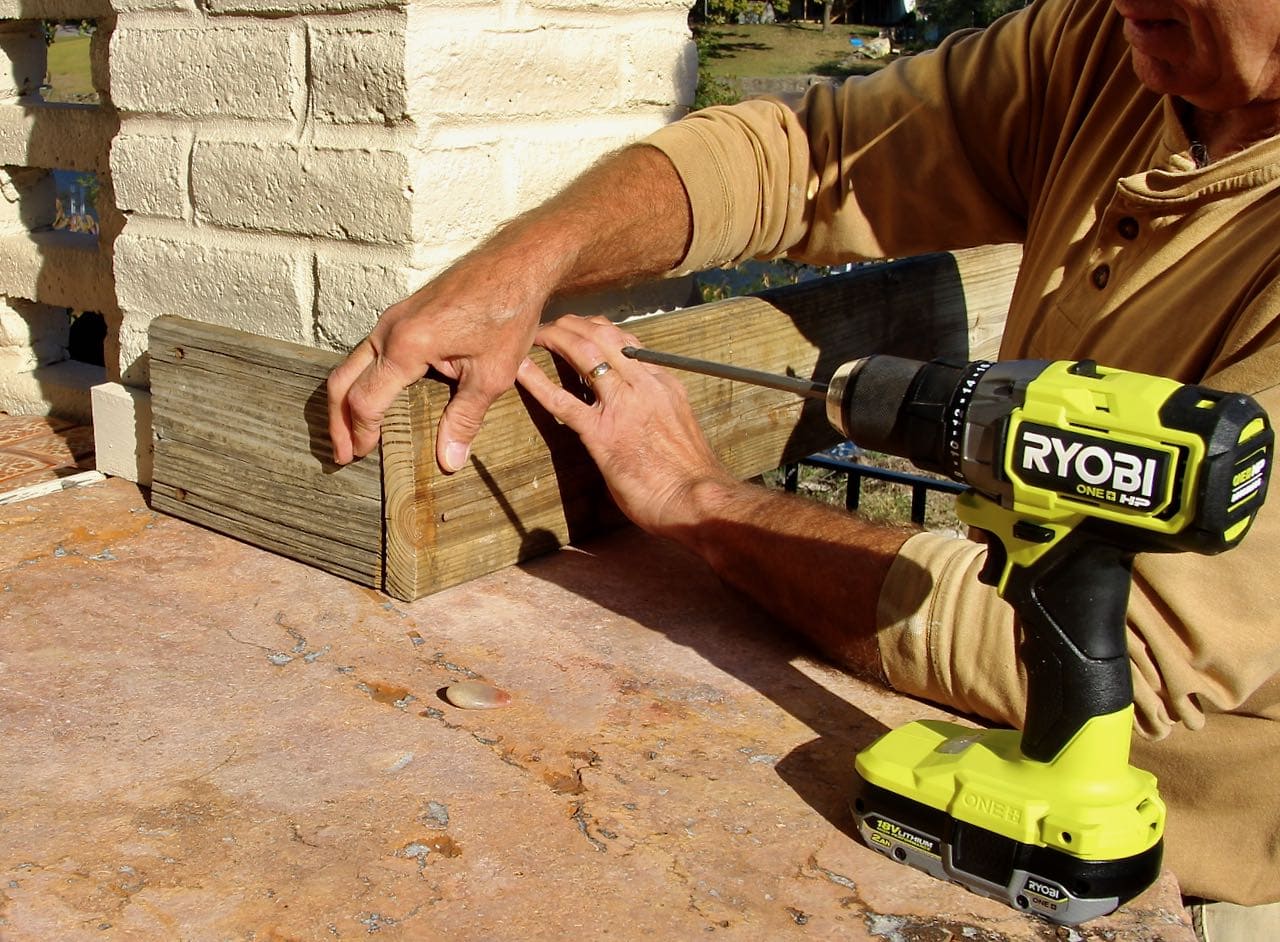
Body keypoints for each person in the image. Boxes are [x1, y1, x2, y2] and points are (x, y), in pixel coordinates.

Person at [328, 0, 1280, 932]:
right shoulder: (1101, 47)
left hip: (1200, 875)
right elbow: (798, 156)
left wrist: (699, 499)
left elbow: (1122, 650)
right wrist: (529, 257)